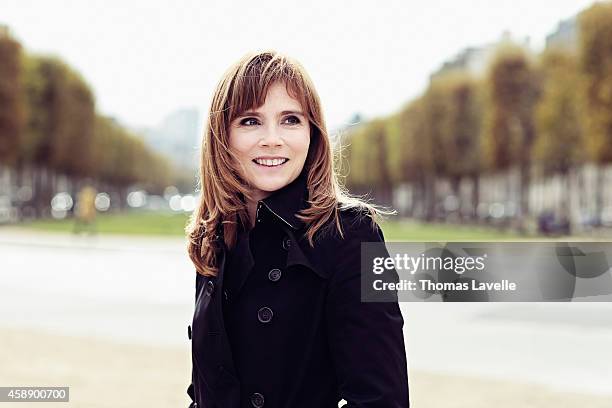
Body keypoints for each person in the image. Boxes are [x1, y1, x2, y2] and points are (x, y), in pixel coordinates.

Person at [185, 50, 410, 408]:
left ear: (312, 134)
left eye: (290, 120)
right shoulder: (216, 235)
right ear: (221, 136)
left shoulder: (353, 235)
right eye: (250, 121)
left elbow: (381, 400)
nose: (272, 138)